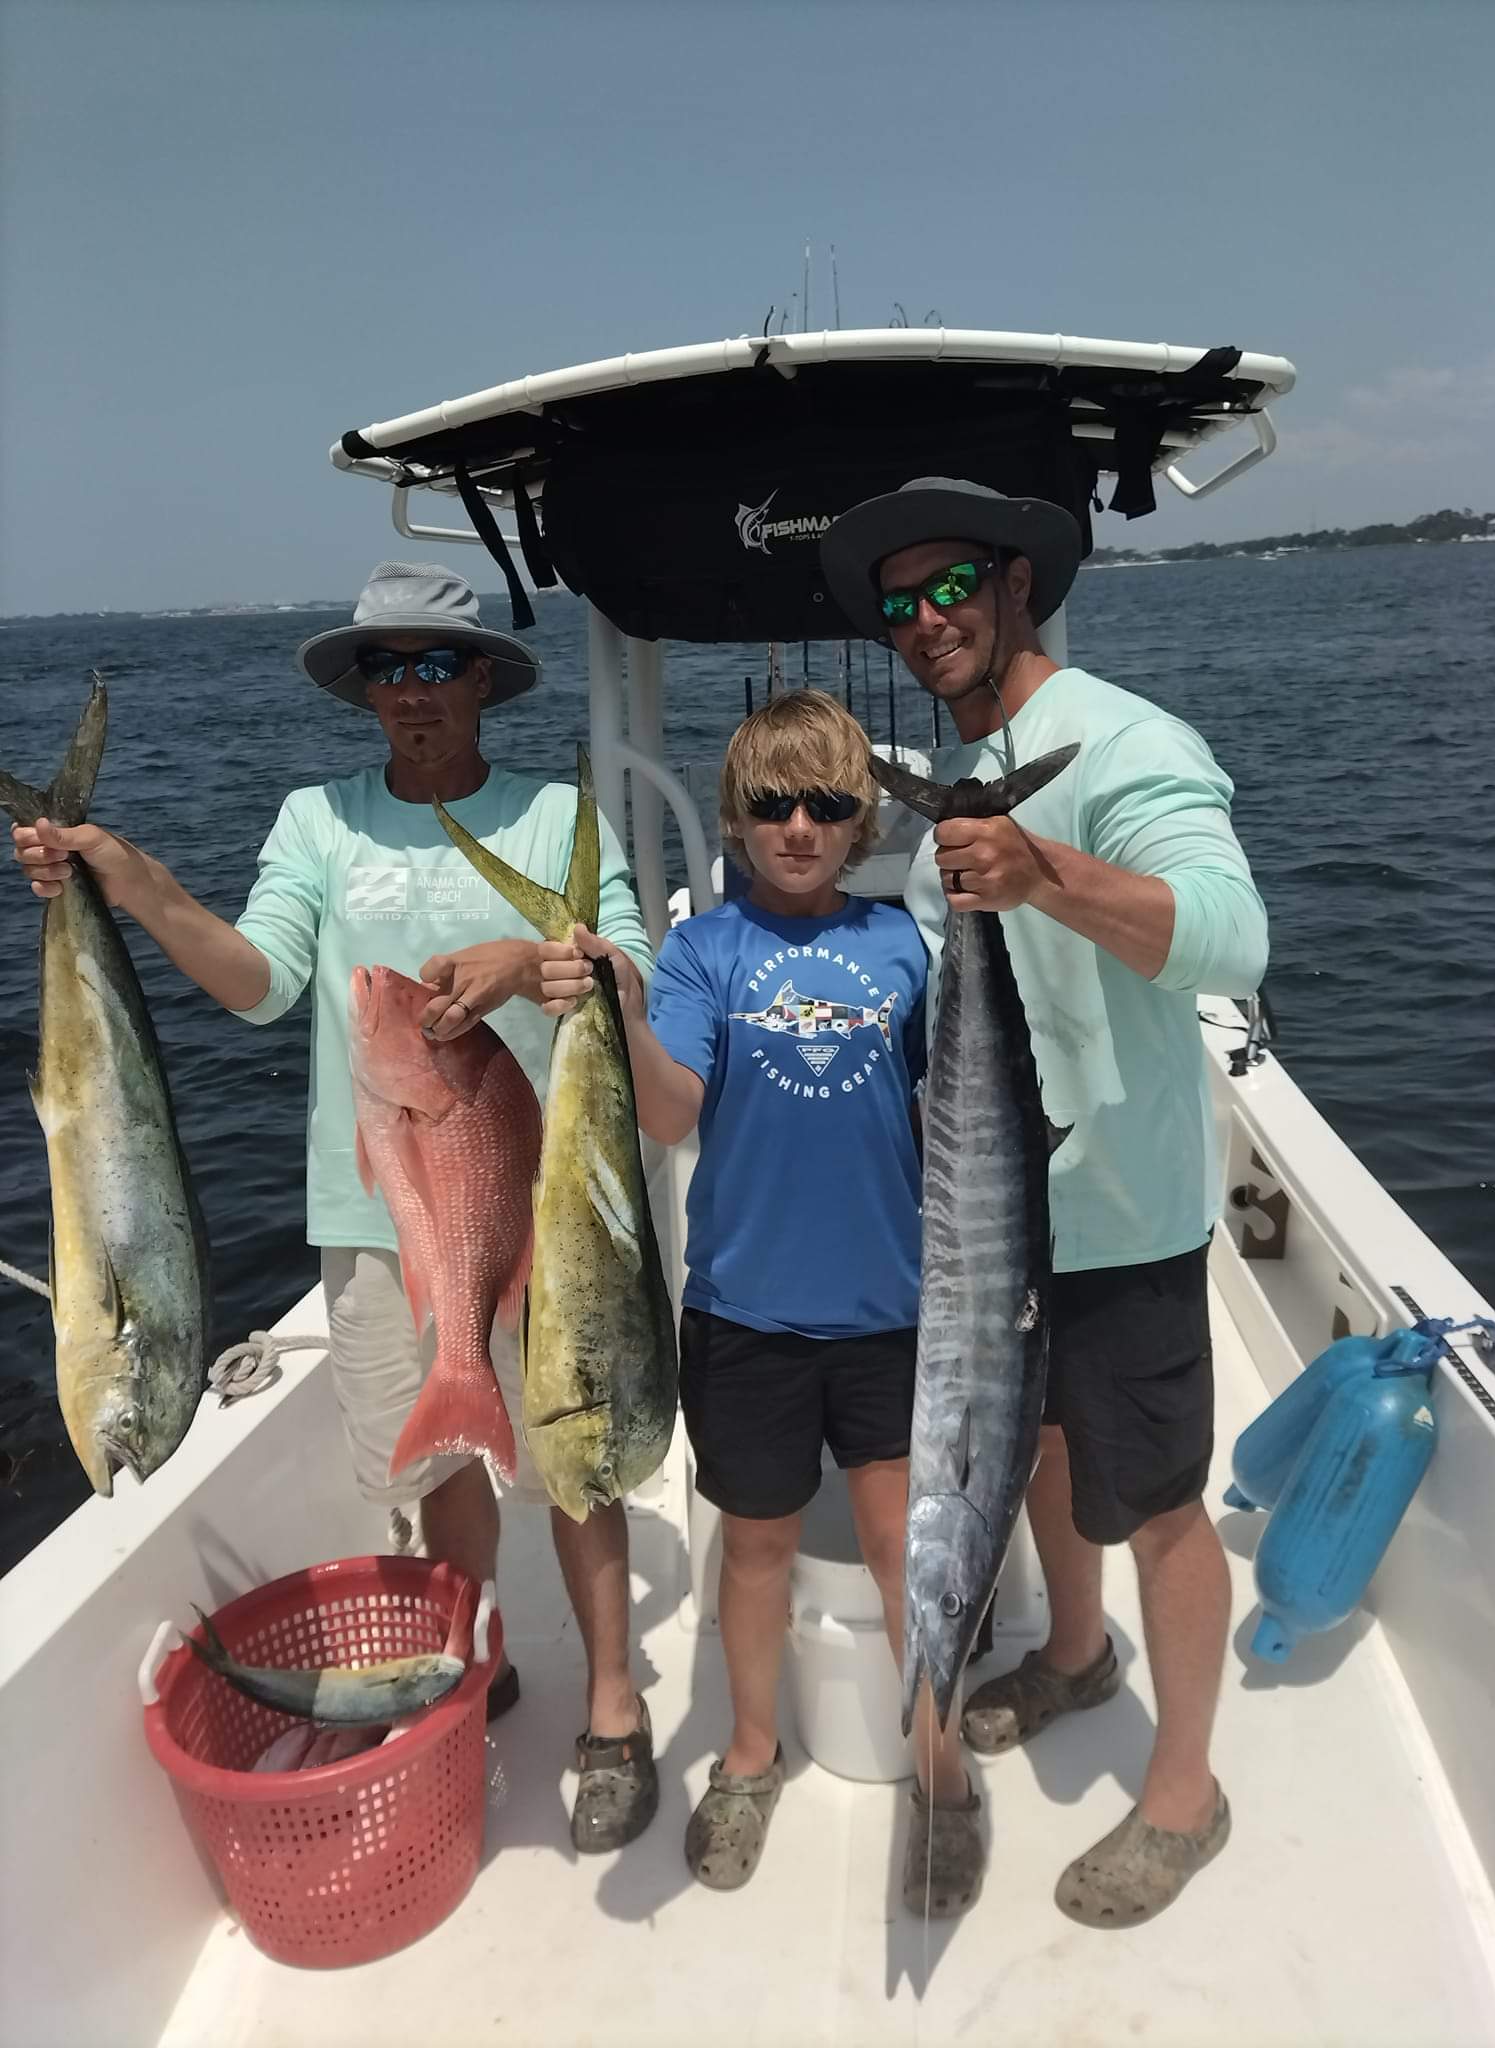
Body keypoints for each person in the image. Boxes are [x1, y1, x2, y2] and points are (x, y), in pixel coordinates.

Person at [10, 561, 659, 1853]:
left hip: (547, 1212)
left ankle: (615, 1703)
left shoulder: (549, 820)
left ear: (482, 679)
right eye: (386, 669)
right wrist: (132, 884)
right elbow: (256, 982)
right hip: (376, 1214)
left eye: (435, 664)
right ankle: (475, 1666)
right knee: (438, 1463)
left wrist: (532, 963)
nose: (410, 691)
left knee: (575, 1463)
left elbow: (625, 968)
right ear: (362, 691)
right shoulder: (319, 819)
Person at [821, 478, 1269, 1927]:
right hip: (996, 1230)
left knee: (1156, 1502)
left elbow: (1232, 936)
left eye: (949, 586)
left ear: (1018, 581)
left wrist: (1048, 869)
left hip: (1124, 1217)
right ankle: (1077, 1655)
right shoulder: (959, 784)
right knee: (1047, 1455)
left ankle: (1186, 1796)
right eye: (896, 604)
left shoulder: (1129, 741)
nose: (924, 621)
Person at [538, 689, 983, 1916]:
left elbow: (955, 1114)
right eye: (775, 804)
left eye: (828, 805)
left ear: (860, 823)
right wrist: (625, 1014)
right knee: (757, 1548)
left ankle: (942, 1768)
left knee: (909, 1550)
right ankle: (747, 1751)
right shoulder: (703, 952)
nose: (800, 825)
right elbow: (673, 1113)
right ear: (736, 820)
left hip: (896, 1310)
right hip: (745, 1317)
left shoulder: (907, 945)